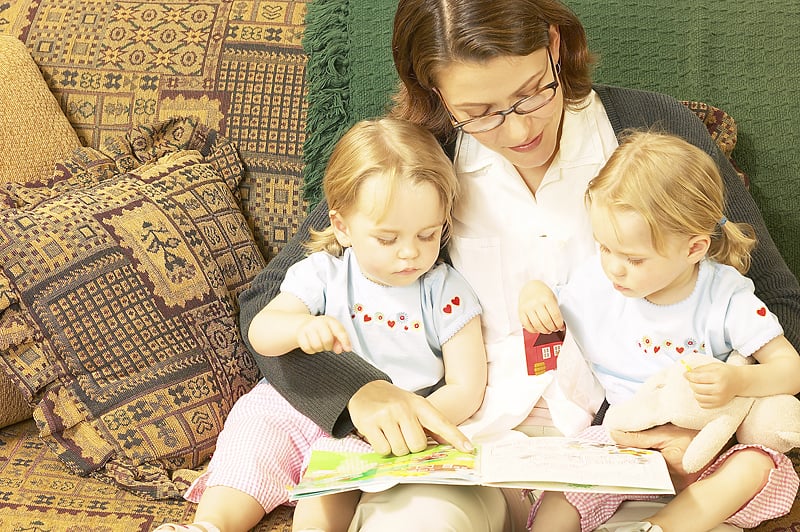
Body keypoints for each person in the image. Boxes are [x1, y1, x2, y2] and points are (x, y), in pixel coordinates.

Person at [175, 0, 800, 530]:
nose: (518, 127)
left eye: (533, 91)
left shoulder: (651, 134)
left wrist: (703, 423)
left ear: (553, 46)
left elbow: (778, 305)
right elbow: (268, 303)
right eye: (479, 112)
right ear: (435, 94)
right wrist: (358, 393)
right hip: (463, 443)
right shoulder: (417, 160)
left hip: (612, 451)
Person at [154, 117, 488, 532]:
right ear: (343, 227)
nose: (410, 254)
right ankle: (210, 526)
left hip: (374, 430)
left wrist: (414, 421)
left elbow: (467, 386)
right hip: (298, 401)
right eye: (387, 239)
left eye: (427, 235)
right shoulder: (322, 273)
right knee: (254, 434)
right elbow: (261, 330)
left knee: (327, 496)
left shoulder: (446, 291)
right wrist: (296, 329)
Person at [521, 130, 800, 532]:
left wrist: (739, 379)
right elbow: (550, 299)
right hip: (625, 441)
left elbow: (790, 369)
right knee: (567, 481)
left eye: (633, 259)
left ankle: (661, 526)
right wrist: (533, 293)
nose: (614, 268)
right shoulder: (596, 284)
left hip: (706, 448)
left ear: (693, 249)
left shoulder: (724, 294)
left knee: (759, 464)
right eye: (604, 248)